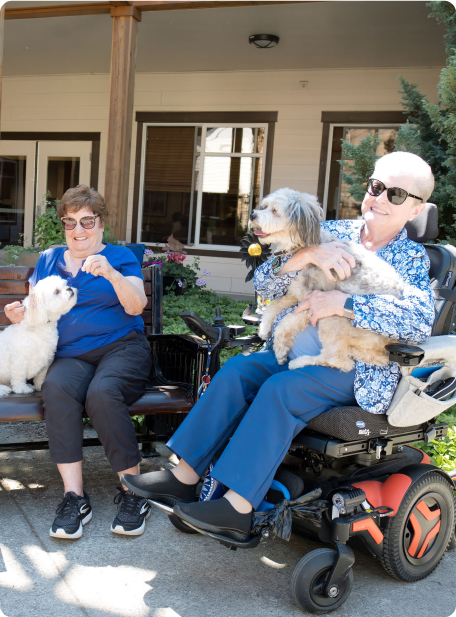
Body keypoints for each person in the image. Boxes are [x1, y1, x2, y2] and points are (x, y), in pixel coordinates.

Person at [122, 152, 435, 542]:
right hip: (293, 347)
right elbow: (266, 287)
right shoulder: (329, 228)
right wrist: (303, 255)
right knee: (237, 371)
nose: (380, 198)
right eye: (376, 187)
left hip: (352, 364)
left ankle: (237, 509)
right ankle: (184, 478)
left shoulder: (410, 257)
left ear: (416, 207)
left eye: (397, 193)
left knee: (279, 390)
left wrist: (345, 303)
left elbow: (419, 320)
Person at [5, 185, 152, 539]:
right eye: (70, 222)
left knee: (103, 393)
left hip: (121, 348)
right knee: (55, 388)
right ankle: (74, 497)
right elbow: (35, 310)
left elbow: (135, 307)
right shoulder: (49, 259)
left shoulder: (119, 256)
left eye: (87, 221)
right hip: (71, 355)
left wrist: (112, 274)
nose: (79, 230)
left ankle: (134, 492)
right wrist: (17, 314)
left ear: (101, 224)